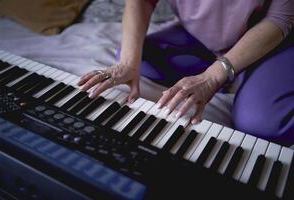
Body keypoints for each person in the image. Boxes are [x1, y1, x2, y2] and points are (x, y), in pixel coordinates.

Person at [78, 0, 294, 145]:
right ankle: (233, 74)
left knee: (262, 126)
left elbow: (280, 19)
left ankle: (243, 72)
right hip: (200, 37)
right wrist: (127, 62)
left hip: (273, 41)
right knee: (137, 60)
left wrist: (212, 77)